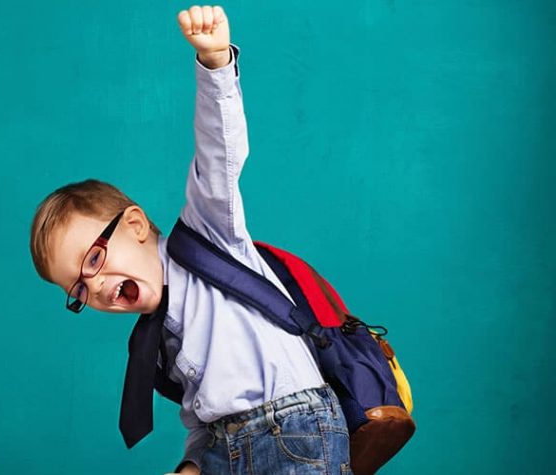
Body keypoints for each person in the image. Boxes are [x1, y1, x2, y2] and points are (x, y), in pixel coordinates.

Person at [29, 5, 352, 474]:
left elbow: (219, 151)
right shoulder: (156, 343)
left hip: (293, 432)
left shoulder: (208, 236)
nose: (93, 287)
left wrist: (215, 63)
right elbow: (203, 417)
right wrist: (191, 465)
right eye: (78, 290)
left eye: (94, 259)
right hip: (225, 448)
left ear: (135, 226)